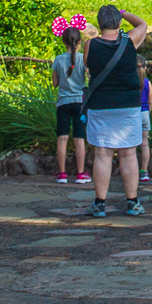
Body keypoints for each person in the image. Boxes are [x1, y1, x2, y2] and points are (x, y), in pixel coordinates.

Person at [83, 4, 149, 217]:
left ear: (99, 23)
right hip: (128, 105)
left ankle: (100, 204)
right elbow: (142, 24)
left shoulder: (89, 45)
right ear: (119, 23)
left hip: (101, 105)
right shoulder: (130, 42)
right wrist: (123, 13)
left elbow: (88, 66)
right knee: (129, 153)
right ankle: (133, 202)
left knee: (102, 153)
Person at [52, 20, 90, 185]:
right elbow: (90, 77)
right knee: (79, 138)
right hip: (80, 104)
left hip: (63, 104)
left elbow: (55, 83)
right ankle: (80, 174)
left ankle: (62, 174)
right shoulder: (82, 59)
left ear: (63, 41)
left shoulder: (58, 60)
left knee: (62, 138)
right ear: (79, 42)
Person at [138, 59, 152, 180]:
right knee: (144, 143)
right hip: (144, 113)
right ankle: (144, 171)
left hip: (132, 114)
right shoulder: (148, 83)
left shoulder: (130, 82)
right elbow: (150, 101)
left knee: (130, 145)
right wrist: (148, 113)